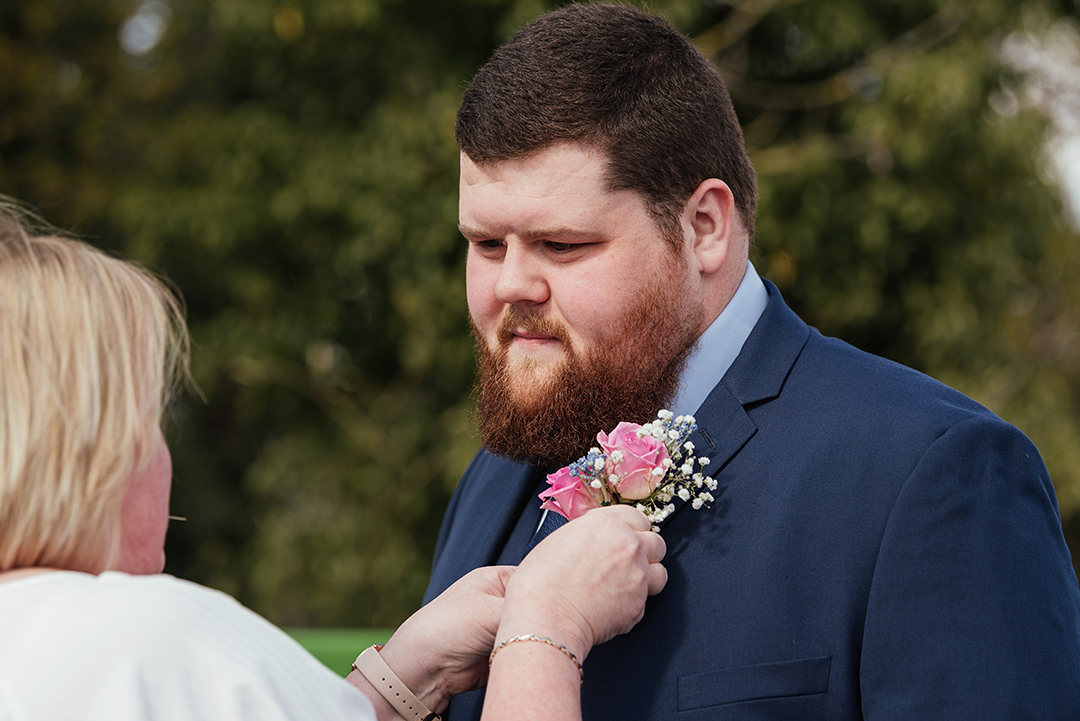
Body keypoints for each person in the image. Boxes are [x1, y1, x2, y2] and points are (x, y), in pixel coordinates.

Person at [423, 4, 1080, 720]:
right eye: (486, 244)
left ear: (705, 226)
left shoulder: (933, 476)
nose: (510, 284)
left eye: (563, 245)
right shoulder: (498, 480)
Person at [0, 204, 668, 721]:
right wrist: (545, 630)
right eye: (147, 419)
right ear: (89, 451)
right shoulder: (149, 639)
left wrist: (406, 673)